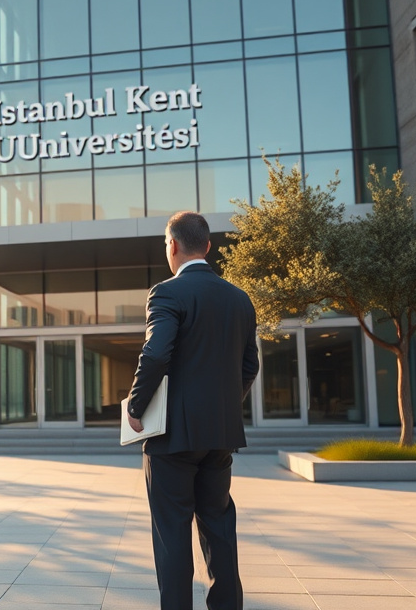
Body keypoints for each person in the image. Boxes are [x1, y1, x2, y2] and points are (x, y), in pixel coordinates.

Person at [126, 211, 259, 610]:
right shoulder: (239, 298)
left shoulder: (167, 293)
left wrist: (136, 406)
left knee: (172, 534)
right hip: (220, 435)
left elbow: (156, 354)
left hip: (172, 437)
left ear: (172, 245)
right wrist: (223, 406)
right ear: (208, 246)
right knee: (219, 527)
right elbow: (250, 366)